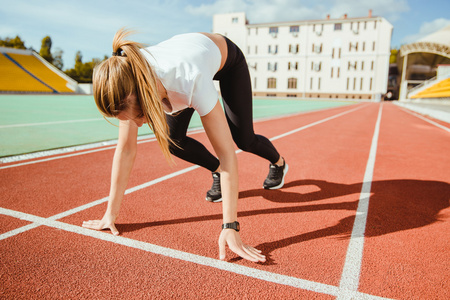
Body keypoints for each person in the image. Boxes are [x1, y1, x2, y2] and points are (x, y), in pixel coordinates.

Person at [82, 29, 288, 263]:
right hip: (181, 66)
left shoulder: (190, 81)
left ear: (147, 93)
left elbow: (228, 155)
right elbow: (126, 150)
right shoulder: (128, 78)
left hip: (227, 61)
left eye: (139, 115)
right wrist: (111, 212)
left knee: (243, 139)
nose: (138, 124)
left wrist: (230, 226)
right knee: (173, 139)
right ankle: (216, 172)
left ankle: (279, 163)